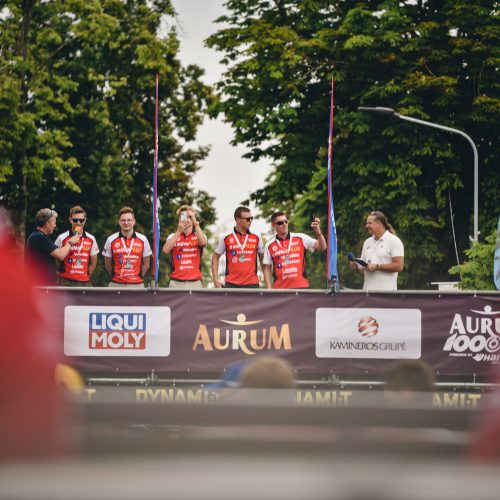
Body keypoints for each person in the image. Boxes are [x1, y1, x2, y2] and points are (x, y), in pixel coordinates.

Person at [263, 212, 326, 289]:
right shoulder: (269, 245)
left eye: (286, 221)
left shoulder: (301, 237)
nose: (284, 224)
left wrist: (319, 233)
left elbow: (322, 247)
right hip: (280, 290)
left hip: (301, 288)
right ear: (273, 225)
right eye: (280, 223)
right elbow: (267, 269)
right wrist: (269, 290)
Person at [349, 210, 404, 291]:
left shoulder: (394, 241)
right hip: (367, 292)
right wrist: (356, 265)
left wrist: (377, 267)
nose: (367, 225)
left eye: (369, 223)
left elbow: (399, 266)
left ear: (379, 223)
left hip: (386, 294)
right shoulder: (367, 242)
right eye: (367, 223)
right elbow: (365, 266)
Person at [211, 206, 264, 288]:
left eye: (251, 218)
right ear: (237, 220)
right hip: (231, 283)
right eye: (247, 219)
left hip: (252, 283)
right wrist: (215, 280)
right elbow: (215, 257)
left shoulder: (256, 236)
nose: (250, 221)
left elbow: (262, 258)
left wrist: (267, 281)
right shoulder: (225, 236)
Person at [26, 208, 81, 285]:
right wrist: (70, 242)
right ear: (47, 224)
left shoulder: (40, 236)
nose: (55, 226)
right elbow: (61, 255)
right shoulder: (38, 237)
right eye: (54, 223)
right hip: (40, 286)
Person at [102, 206, 152, 288]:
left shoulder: (143, 239)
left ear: (134, 221)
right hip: (116, 284)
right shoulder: (111, 239)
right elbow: (107, 264)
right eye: (123, 220)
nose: (126, 222)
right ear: (119, 222)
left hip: (137, 284)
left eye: (129, 220)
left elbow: (146, 264)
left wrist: (137, 276)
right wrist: (116, 276)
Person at [163, 205, 207, 288]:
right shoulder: (172, 236)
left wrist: (196, 224)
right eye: (182, 217)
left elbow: (203, 243)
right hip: (176, 282)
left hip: (195, 282)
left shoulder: (199, 235)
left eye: (189, 216)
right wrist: (179, 231)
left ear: (192, 219)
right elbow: (165, 250)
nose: (185, 219)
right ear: (179, 220)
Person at [54, 205, 99, 286]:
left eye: (81, 220)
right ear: (70, 220)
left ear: (85, 220)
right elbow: (56, 259)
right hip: (65, 281)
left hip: (85, 281)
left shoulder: (91, 239)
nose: (78, 223)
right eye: (75, 220)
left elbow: (93, 262)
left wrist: (86, 274)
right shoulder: (62, 238)